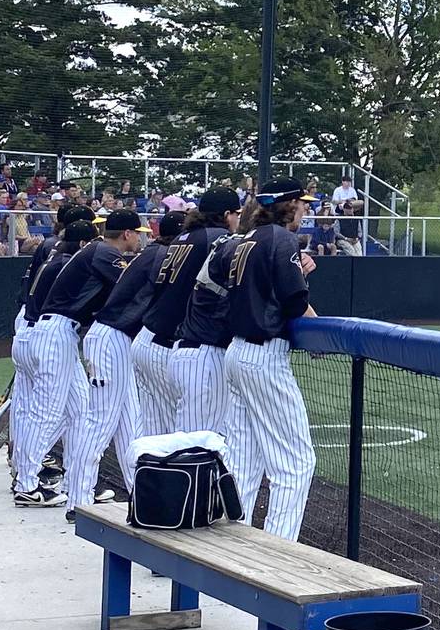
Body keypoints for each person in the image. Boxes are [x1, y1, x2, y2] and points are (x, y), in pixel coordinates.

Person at [223, 178, 319, 539]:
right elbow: (294, 299)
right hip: (263, 355)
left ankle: (232, 545)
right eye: (303, 204)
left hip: (237, 351)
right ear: (289, 204)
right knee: (295, 464)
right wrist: (316, 327)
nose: (306, 210)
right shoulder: (280, 238)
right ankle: (277, 555)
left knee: (244, 461)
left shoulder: (245, 239)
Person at [55, 210, 152, 519]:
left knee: (129, 427)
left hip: (111, 339)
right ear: (126, 233)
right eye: (138, 232)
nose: (141, 237)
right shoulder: (104, 251)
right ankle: (78, 500)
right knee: (98, 423)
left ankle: (143, 499)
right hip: (107, 339)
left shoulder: (104, 252)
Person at [9, 219, 105, 508]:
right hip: (50, 334)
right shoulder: (65, 262)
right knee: (46, 413)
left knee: (79, 410)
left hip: (37, 330)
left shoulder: (56, 256)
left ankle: (76, 481)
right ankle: (26, 483)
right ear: (84, 243)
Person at [135, 186, 242, 437]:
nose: (238, 219)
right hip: (173, 344)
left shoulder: (184, 236)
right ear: (227, 214)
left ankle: (147, 478)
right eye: (236, 213)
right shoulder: (217, 237)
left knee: (158, 438)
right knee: (195, 441)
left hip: (150, 340)